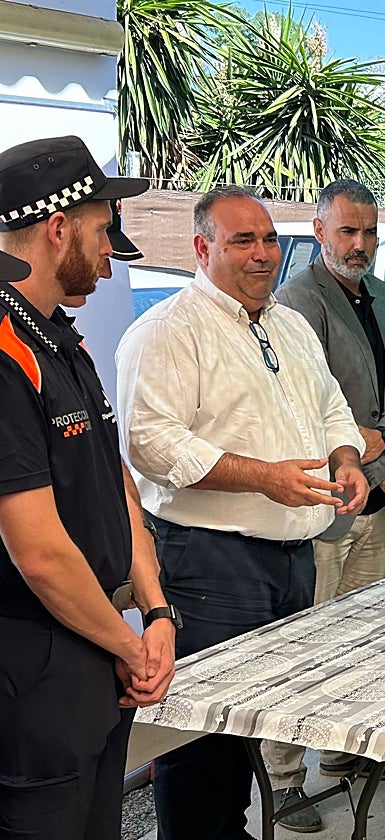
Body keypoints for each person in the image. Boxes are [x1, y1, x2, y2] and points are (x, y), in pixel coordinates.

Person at [116, 186, 369, 840]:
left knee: (254, 730)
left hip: (290, 562)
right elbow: (150, 443)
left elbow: (331, 406)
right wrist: (262, 479)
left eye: (267, 239)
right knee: (201, 743)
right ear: (202, 247)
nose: (262, 255)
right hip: (209, 565)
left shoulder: (287, 322)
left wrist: (345, 459)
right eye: (242, 241)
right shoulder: (167, 331)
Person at [0, 135, 174, 840]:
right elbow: (37, 550)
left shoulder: (60, 341)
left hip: (100, 647)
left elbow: (116, 484)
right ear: (57, 226)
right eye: (104, 231)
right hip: (35, 669)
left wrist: (157, 612)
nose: (113, 253)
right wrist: (131, 647)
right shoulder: (8, 354)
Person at [266, 179, 385, 831]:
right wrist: (368, 467)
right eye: (346, 231)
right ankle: (279, 780)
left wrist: (381, 455)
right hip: (324, 505)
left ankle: (343, 751)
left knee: (360, 638)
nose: (359, 244)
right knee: (305, 644)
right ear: (319, 229)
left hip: (371, 501)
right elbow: (305, 411)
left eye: (368, 232)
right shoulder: (296, 300)